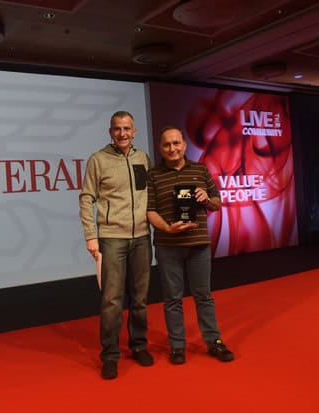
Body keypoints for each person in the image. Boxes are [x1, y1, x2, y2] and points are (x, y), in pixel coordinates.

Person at [147, 126, 234, 365]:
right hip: (167, 245)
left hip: (198, 245)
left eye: (176, 143)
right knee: (172, 298)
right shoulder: (153, 175)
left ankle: (214, 341)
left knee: (203, 296)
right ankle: (177, 346)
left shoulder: (200, 169)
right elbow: (150, 210)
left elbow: (217, 202)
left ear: (184, 145)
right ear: (160, 148)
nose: (172, 148)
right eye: (167, 144)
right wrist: (167, 228)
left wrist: (207, 198)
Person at [79, 110, 154, 379]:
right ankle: (110, 355)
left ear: (134, 132)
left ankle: (139, 345)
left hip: (142, 237)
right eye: (117, 129)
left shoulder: (142, 158)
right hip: (112, 238)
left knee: (140, 298)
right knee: (112, 300)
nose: (122, 133)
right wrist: (91, 235)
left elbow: (150, 194)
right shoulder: (98, 160)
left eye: (127, 128)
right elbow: (86, 198)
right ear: (110, 132)